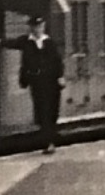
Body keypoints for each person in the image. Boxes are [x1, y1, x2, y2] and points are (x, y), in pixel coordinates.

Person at [10, 15, 66, 154]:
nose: (37, 29)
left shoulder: (49, 43)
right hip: (37, 82)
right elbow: (11, 43)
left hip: (52, 82)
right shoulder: (26, 41)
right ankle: (48, 142)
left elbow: (57, 61)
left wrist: (60, 76)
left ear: (43, 27)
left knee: (52, 111)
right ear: (31, 28)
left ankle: (49, 140)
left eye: (40, 27)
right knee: (42, 111)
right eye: (35, 27)